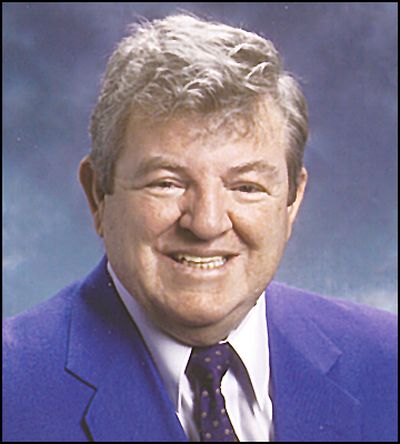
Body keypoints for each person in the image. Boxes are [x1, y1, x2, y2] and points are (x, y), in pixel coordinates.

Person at [3, 13, 397, 442]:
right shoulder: (13, 387)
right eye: (167, 183)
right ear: (98, 193)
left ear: (292, 201)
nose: (207, 223)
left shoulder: (386, 360)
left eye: (246, 187)